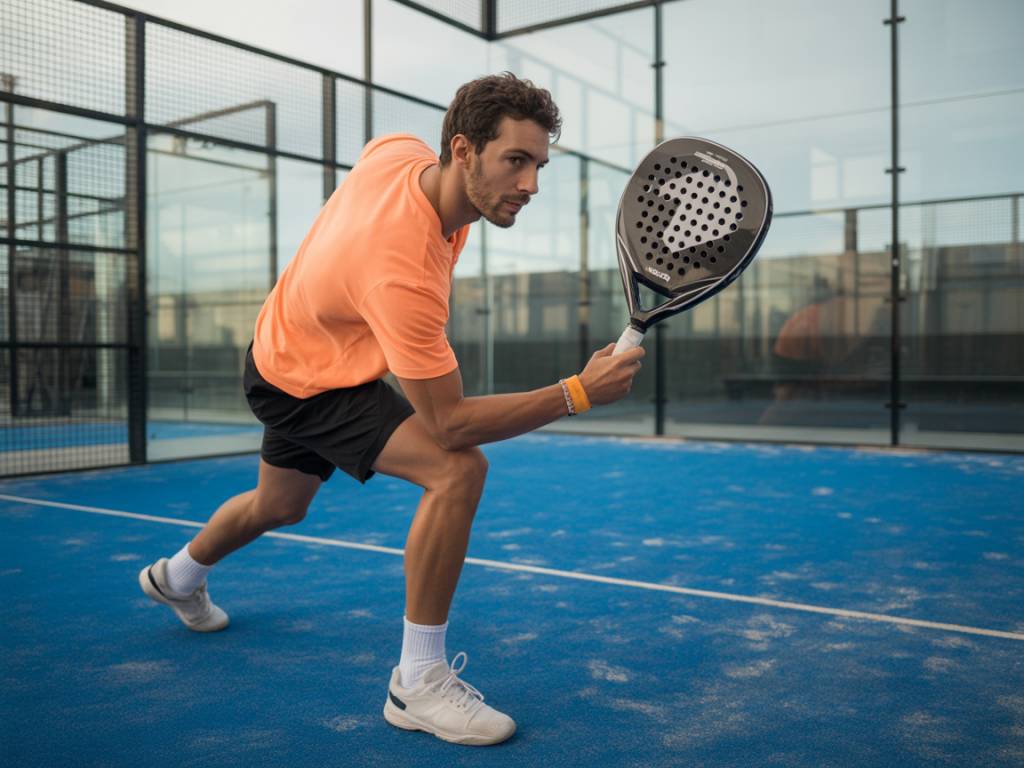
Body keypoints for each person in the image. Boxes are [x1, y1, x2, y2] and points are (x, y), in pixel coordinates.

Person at [138, 72, 645, 747]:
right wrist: (577, 392)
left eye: (538, 164)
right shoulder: (400, 273)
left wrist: (332, 287)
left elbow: (363, 204)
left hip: (285, 348)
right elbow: (450, 424)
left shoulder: (401, 151)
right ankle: (418, 683)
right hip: (308, 378)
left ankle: (176, 576)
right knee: (458, 468)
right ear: (462, 150)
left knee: (280, 505)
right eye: (514, 161)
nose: (530, 185)